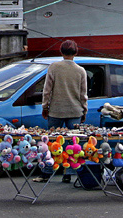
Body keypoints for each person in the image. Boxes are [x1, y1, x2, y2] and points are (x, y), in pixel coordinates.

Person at [38, 40, 88, 182]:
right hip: (75, 111)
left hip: (56, 111)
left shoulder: (54, 67)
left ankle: (47, 172)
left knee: (52, 142)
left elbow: (47, 91)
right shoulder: (80, 71)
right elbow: (83, 95)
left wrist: (45, 107)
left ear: (61, 52)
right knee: (73, 145)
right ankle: (69, 173)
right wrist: (84, 111)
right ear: (76, 52)